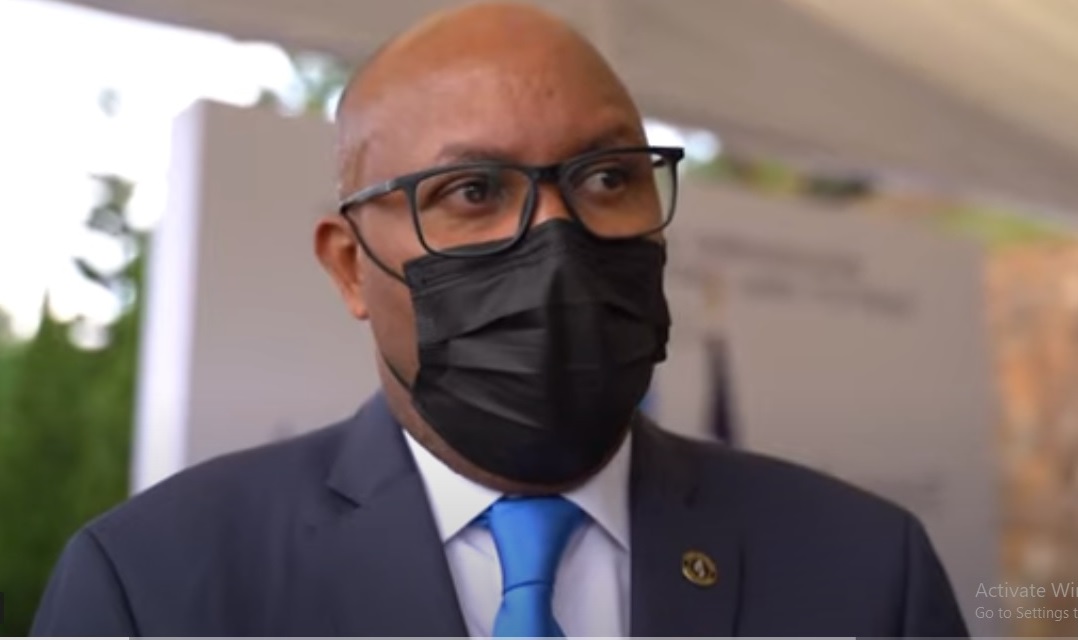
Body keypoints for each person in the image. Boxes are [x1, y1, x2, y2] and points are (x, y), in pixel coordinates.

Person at [31, 2, 969, 637]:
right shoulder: (153, 587)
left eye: (608, 177)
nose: (558, 237)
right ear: (350, 266)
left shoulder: (866, 570)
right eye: (473, 191)